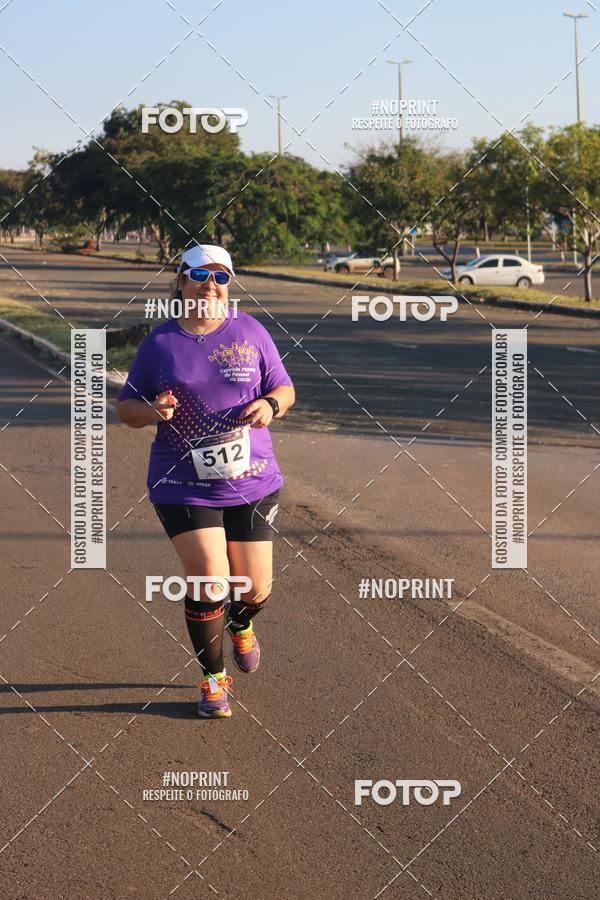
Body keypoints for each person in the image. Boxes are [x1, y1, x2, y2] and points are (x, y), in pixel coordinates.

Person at [117, 245, 295, 718]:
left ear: (229, 285)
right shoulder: (160, 344)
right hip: (183, 483)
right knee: (210, 580)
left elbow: (284, 386)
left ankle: (241, 623)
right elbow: (126, 409)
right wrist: (153, 410)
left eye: (220, 276)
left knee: (254, 589)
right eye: (199, 274)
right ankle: (213, 680)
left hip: (253, 481)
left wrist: (271, 405)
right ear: (180, 281)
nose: (209, 284)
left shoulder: (251, 331)